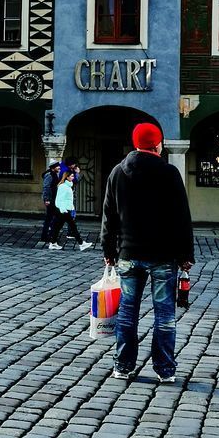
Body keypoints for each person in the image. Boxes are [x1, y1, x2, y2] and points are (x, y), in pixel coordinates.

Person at [101, 122, 194, 385]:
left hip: (128, 254)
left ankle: (123, 365)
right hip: (163, 256)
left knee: (127, 313)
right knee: (164, 314)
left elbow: (109, 216)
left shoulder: (118, 172)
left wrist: (108, 250)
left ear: (136, 144)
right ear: (157, 144)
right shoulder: (169, 173)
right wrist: (186, 253)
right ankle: (165, 369)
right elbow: (181, 218)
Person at [47, 167, 92, 252]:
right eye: (71, 176)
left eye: (73, 176)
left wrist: (71, 208)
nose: (73, 177)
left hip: (64, 210)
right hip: (63, 210)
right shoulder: (63, 187)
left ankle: (53, 243)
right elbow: (60, 200)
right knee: (72, 227)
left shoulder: (67, 186)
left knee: (57, 227)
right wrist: (64, 210)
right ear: (67, 177)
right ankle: (81, 243)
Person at [39, 160, 61, 244]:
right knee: (50, 218)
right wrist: (47, 199)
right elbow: (46, 188)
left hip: (54, 199)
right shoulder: (49, 175)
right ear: (53, 167)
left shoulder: (54, 174)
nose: (59, 167)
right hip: (51, 200)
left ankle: (49, 235)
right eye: (57, 166)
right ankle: (46, 236)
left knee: (51, 218)